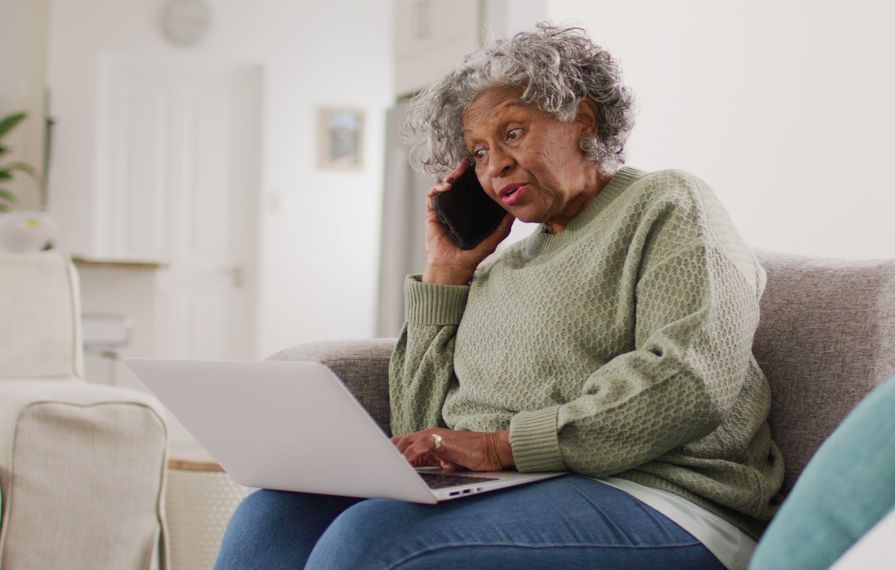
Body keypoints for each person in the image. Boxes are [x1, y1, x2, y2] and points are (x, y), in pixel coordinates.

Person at [215, 23, 783, 570]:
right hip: (514, 490)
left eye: (512, 134)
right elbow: (417, 422)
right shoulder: (502, 264)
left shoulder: (667, 203)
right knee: (272, 517)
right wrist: (447, 272)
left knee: (372, 540)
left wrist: (499, 448)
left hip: (666, 498)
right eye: (479, 153)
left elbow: (691, 379)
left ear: (582, 119)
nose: (496, 167)